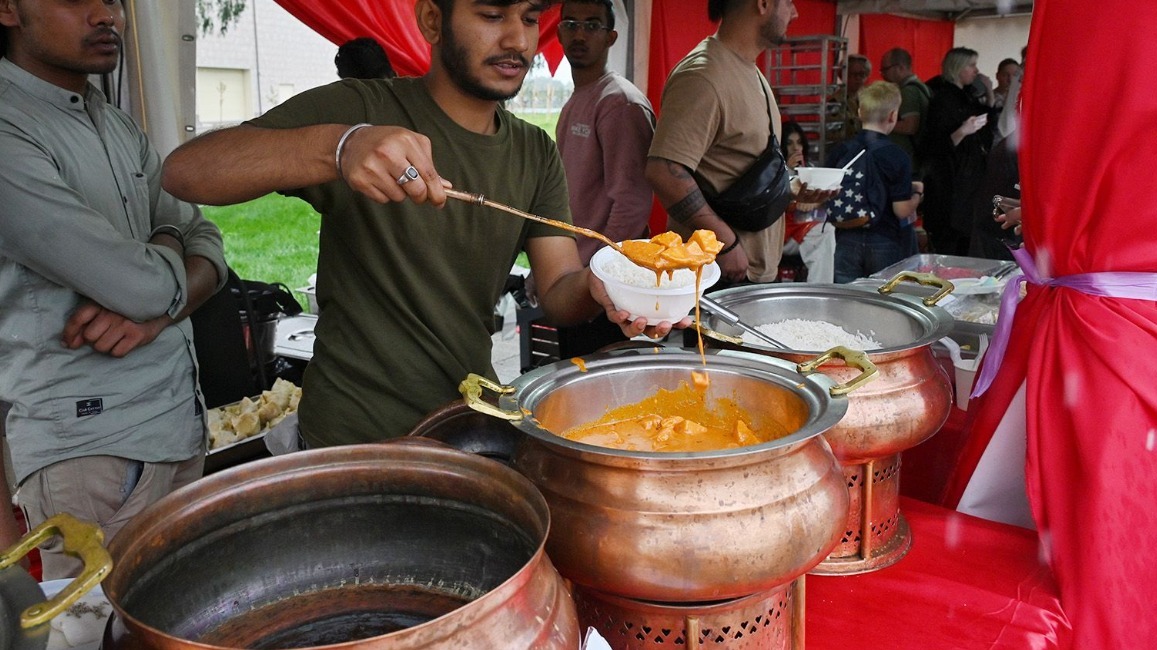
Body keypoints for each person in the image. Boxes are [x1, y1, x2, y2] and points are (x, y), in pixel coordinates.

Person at [162, 0, 676, 450]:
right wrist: (339, 148)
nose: (518, 39)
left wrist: (603, 285)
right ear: (433, 19)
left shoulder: (533, 151)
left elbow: (559, 286)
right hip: (352, 436)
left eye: (529, 17)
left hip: (466, 427)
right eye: (492, 14)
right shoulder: (365, 108)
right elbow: (186, 171)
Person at [0, 0, 227, 578]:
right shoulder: (8, 127)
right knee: (97, 637)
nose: (108, 15)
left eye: (116, 1)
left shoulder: (115, 122)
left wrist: (158, 303)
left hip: (177, 425)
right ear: (9, 9)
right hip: (91, 452)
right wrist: (171, 259)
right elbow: (143, 282)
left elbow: (211, 243)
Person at [645, 0, 835, 286]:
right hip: (721, 274)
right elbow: (664, 171)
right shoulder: (703, 76)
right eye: (788, 2)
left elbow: (739, 169)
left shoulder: (751, 71)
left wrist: (790, 191)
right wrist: (727, 243)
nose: (794, 12)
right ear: (763, 4)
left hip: (751, 275)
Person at [548, 0, 655, 356]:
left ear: (611, 37)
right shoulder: (576, 100)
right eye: (571, 24)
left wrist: (601, 273)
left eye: (592, 25)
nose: (580, 34)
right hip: (576, 281)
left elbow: (633, 204)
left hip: (604, 290)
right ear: (559, 31)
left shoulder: (619, 103)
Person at [824, 81, 922, 282]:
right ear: (893, 116)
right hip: (885, 240)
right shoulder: (897, 156)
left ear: (860, 112)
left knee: (847, 299)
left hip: (846, 238)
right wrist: (918, 193)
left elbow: (825, 191)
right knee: (883, 301)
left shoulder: (840, 150)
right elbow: (901, 210)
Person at [921, 47, 994, 256]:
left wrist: (989, 94)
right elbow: (935, 145)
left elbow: (988, 128)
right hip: (950, 183)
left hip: (969, 180)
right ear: (958, 68)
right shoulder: (943, 100)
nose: (976, 70)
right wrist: (963, 131)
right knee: (952, 240)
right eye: (971, 65)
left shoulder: (968, 96)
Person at [780, 121, 835, 283]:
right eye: (789, 143)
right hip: (779, 233)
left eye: (799, 142)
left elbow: (821, 197)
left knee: (826, 231)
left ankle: (820, 290)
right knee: (825, 234)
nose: (796, 148)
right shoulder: (775, 170)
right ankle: (820, 292)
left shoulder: (810, 168)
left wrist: (815, 202)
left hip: (801, 227)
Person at [879, 47, 931, 173]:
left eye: (885, 69)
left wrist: (879, 125)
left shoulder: (909, 92)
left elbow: (910, 126)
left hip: (909, 160)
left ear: (900, 67)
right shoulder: (922, 87)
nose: (883, 74)